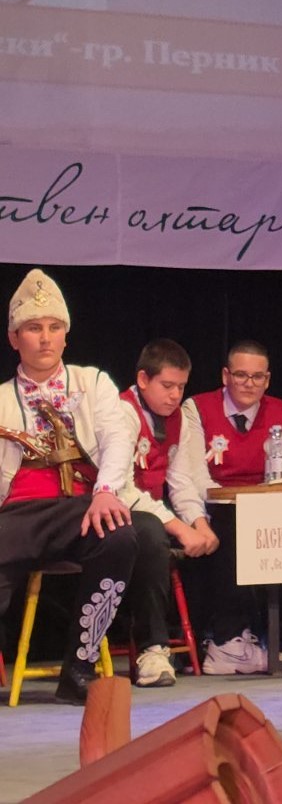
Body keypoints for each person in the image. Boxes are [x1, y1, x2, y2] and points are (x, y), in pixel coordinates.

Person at [0, 269, 139, 704]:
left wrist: (106, 490)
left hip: (80, 510)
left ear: (66, 335)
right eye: (33, 328)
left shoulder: (92, 382)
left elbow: (118, 437)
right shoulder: (2, 398)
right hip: (18, 516)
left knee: (119, 536)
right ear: (14, 338)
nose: (45, 338)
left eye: (54, 327)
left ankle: (79, 667)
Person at [181, 339, 282, 674]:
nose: (249, 384)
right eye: (241, 375)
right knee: (230, 521)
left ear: (267, 379)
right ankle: (226, 638)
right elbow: (195, 475)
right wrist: (234, 502)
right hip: (212, 504)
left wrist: (256, 505)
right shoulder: (196, 408)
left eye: (257, 377)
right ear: (225, 376)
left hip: (263, 505)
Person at [117, 337, 219, 687]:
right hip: (117, 513)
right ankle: (153, 649)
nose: (175, 395)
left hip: (153, 516)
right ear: (143, 379)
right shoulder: (121, 413)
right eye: (167, 385)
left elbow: (180, 481)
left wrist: (200, 524)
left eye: (181, 387)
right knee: (151, 533)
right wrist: (179, 527)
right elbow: (122, 489)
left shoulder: (180, 420)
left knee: (214, 531)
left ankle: (220, 639)